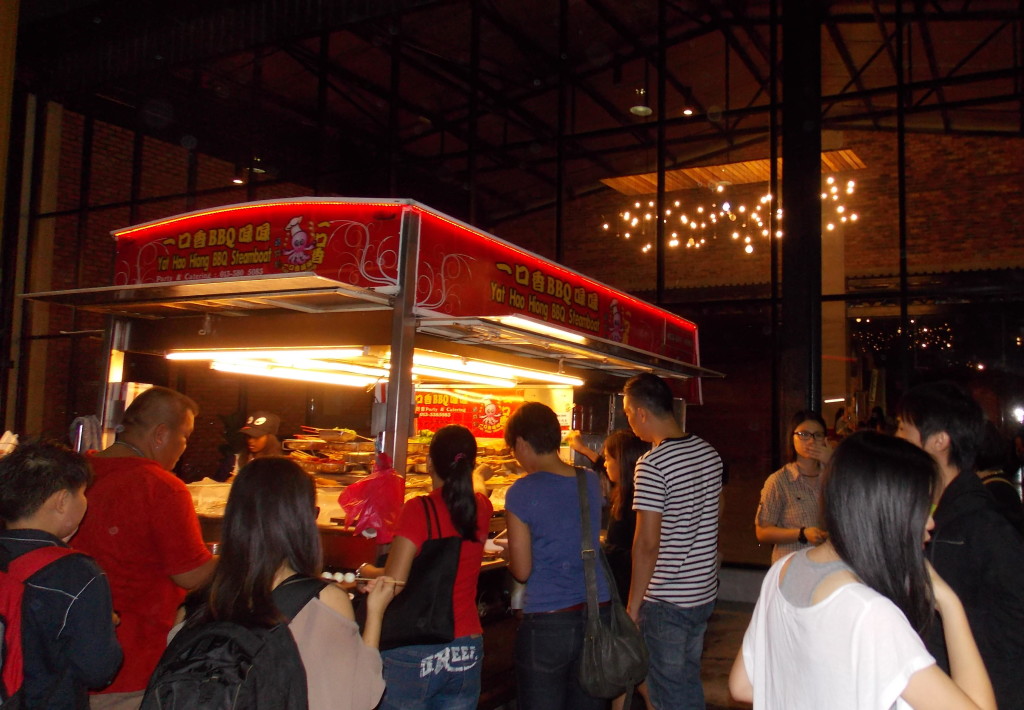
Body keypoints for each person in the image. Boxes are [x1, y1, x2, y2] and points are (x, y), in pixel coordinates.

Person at [729, 431, 995, 710]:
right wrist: (950, 603)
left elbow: (743, 685)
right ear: (888, 511)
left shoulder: (783, 572)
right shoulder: (872, 615)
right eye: (923, 507)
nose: (930, 522)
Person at [179, 456, 394, 710]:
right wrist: (376, 613)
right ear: (300, 521)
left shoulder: (194, 607)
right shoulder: (322, 603)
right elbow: (359, 697)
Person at [73, 386, 215, 710]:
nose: (184, 449)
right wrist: (244, 557)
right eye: (185, 437)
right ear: (161, 435)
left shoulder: (77, 472)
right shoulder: (161, 487)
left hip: (70, 663)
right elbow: (191, 575)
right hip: (132, 668)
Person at [896, 381, 1024, 710]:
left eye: (903, 428)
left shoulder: (983, 525)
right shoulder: (932, 510)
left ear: (939, 440)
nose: (896, 438)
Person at [359, 425, 493, 710]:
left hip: (417, 648)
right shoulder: (481, 507)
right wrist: (478, 476)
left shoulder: (419, 510)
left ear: (430, 463)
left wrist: (364, 571)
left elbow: (394, 581)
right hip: (467, 647)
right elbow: (478, 489)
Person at [622, 372, 722, 710]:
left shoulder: (652, 464)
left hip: (668, 600)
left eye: (627, 414)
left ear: (641, 413)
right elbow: (714, 515)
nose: (630, 423)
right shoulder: (709, 453)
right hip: (703, 593)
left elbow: (646, 543)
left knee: (669, 695)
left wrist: (634, 606)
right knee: (686, 680)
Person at [503, 402, 610, 710]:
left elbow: (522, 571)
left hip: (549, 621)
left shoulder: (521, 491)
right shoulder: (589, 480)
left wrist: (511, 552)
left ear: (522, 443)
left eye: (513, 449)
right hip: (596, 613)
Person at [0, 441, 122, 709]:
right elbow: (98, 670)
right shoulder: (78, 574)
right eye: (82, 493)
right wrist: (102, 623)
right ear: (62, 501)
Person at [567, 429, 650, 601]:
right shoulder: (623, 490)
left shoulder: (636, 501)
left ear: (622, 462)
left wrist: (603, 547)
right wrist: (582, 449)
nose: (605, 463)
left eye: (608, 458)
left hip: (627, 589)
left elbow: (638, 554)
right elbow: (601, 466)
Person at [754, 411, 831, 563]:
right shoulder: (779, 481)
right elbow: (762, 532)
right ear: (792, 438)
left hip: (828, 565)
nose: (811, 441)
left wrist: (833, 462)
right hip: (792, 567)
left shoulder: (833, 476)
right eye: (803, 434)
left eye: (818, 435)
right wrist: (802, 534)